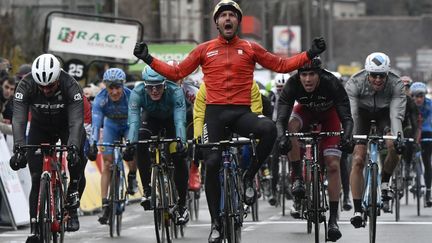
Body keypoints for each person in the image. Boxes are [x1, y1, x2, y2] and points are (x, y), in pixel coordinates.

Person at [133, 1, 326, 241]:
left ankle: (248, 176)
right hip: (214, 115)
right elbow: (177, 73)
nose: (228, 19)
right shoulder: (204, 49)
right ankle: (216, 224)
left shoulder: (250, 48)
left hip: (241, 113)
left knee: (269, 129)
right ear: (216, 22)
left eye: (232, 15)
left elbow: (281, 65)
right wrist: (148, 59)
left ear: (238, 21)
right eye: (223, 15)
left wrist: (310, 54)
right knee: (212, 162)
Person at [9, 54, 87, 241]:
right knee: (36, 178)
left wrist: (73, 147)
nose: (45, 90)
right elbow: (18, 119)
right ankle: (35, 230)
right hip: (39, 127)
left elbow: (76, 121)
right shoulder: (25, 85)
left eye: (50, 86)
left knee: (77, 160)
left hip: (66, 125)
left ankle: (72, 204)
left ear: (58, 78)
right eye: (41, 86)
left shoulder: (70, 84)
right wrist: (18, 147)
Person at [276, 57, 354, 242]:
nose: (308, 79)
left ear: (319, 74)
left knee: (333, 164)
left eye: (312, 74)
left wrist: (347, 136)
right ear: (299, 75)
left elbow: (347, 118)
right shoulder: (292, 84)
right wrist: (282, 138)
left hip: (330, 116)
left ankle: (333, 220)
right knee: (290, 127)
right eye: (304, 74)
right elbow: (280, 119)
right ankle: (297, 179)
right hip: (305, 112)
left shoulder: (331, 83)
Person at [345, 52, 406, 228]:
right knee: (358, 159)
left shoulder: (396, 84)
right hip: (361, 115)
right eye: (373, 75)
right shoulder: (355, 82)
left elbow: (396, 115)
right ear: (367, 73)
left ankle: (385, 181)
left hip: (384, 115)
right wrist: (351, 136)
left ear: (387, 74)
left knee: (392, 145)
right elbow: (353, 113)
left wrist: (398, 137)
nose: (378, 80)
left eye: (382, 76)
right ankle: (357, 210)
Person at [125, 65, 190, 225]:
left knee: (178, 156)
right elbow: (133, 121)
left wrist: (182, 141)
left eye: (158, 86)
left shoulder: (175, 92)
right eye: (150, 87)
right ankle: (147, 190)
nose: (154, 91)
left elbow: (180, 120)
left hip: (172, 122)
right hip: (151, 119)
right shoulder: (137, 92)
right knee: (140, 141)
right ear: (144, 85)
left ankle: (182, 204)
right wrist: (130, 144)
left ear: (165, 84)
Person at [86, 67, 138, 224]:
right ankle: (105, 204)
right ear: (106, 86)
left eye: (117, 87)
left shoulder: (131, 97)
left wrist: (131, 143)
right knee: (108, 163)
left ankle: (132, 175)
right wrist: (93, 144)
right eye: (111, 88)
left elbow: (136, 122)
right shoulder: (100, 100)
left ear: (123, 85)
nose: (114, 92)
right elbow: (96, 125)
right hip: (111, 126)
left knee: (131, 150)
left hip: (129, 125)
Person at [409, 82, 432, 207]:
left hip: (427, 132)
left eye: (421, 96)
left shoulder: (430, 105)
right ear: (411, 96)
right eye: (415, 96)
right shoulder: (409, 105)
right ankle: (410, 174)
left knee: (427, 161)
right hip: (413, 132)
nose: (418, 99)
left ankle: (428, 192)